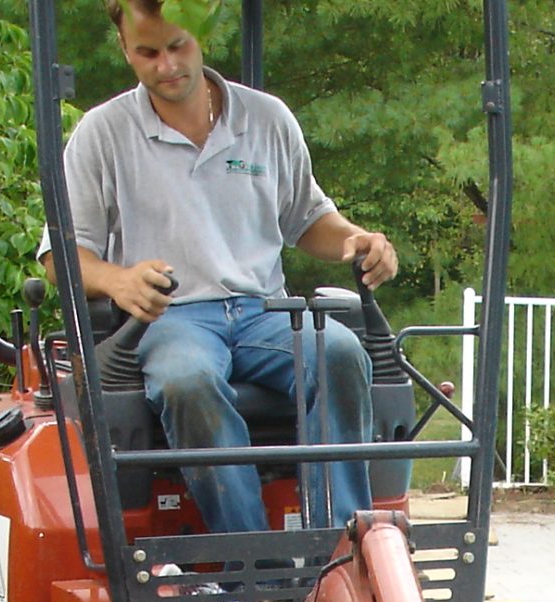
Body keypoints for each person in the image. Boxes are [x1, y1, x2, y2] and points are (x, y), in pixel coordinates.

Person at [47, 0, 398, 532]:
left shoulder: (266, 119)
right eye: (147, 52)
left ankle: (340, 542)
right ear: (124, 49)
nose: (166, 65)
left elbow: (308, 219)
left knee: (341, 353)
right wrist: (118, 280)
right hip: (172, 318)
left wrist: (360, 240)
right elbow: (61, 258)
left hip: (264, 312)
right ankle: (249, 556)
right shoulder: (102, 133)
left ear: (202, 35)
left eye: (178, 45)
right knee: (187, 380)